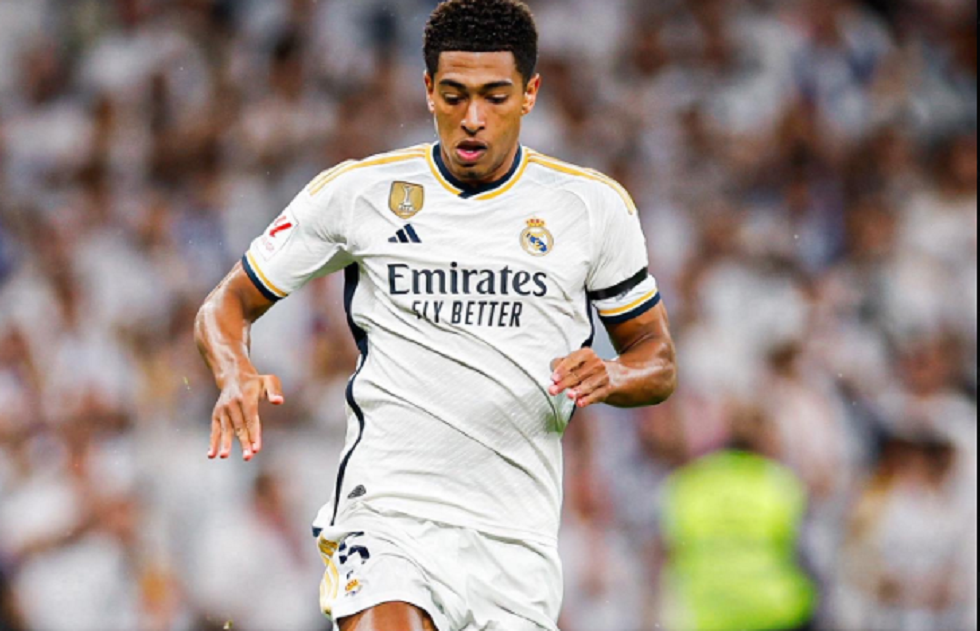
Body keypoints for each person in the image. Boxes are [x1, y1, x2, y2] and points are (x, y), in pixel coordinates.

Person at [194, 1, 677, 629]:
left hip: (515, 544)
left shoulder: (590, 208)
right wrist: (234, 368)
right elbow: (226, 303)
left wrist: (612, 374)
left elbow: (657, 359)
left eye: (495, 97)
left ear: (530, 94)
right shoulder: (359, 193)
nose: (472, 118)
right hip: (390, 518)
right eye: (453, 96)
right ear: (427, 90)